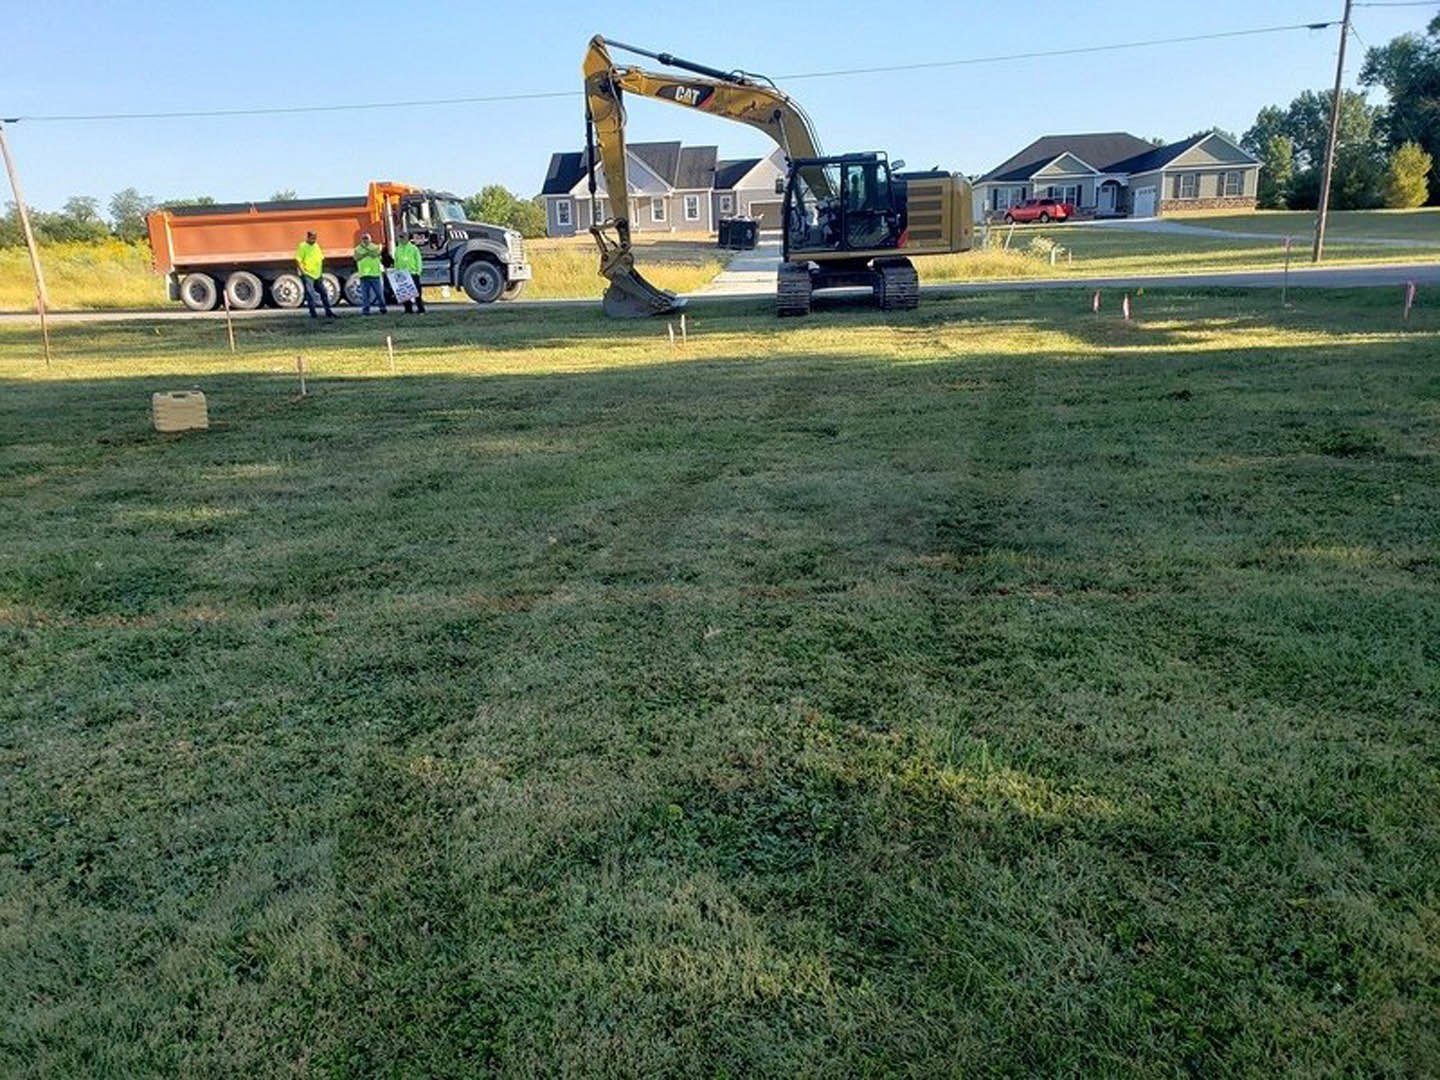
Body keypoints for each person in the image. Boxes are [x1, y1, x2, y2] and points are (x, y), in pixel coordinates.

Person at [295, 230, 334, 319]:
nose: (314, 240)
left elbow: (320, 258)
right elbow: (298, 260)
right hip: (308, 274)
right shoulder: (302, 246)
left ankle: (329, 312)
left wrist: (320, 272)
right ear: (308, 237)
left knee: (324, 292)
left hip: (317, 274)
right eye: (312, 238)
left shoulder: (316, 246)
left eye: (315, 238)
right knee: (310, 294)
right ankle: (313, 314)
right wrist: (303, 272)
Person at [393, 231, 426, 314]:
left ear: (407, 238)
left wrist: (418, 271)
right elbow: (396, 261)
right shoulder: (397, 249)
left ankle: (421, 309)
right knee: (405, 294)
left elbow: (418, 260)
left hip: (413, 272)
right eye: (400, 237)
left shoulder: (413, 248)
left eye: (403, 237)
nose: (401, 239)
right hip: (402, 274)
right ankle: (408, 309)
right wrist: (397, 271)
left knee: (417, 293)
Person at [354, 232, 386, 315]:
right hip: (364, 274)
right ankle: (366, 310)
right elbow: (356, 257)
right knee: (365, 295)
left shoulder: (375, 247)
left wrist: (365, 251)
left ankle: (383, 308)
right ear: (361, 239)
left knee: (379, 294)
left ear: (370, 239)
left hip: (375, 274)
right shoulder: (357, 248)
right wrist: (366, 253)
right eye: (363, 238)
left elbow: (375, 255)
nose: (365, 240)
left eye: (366, 238)